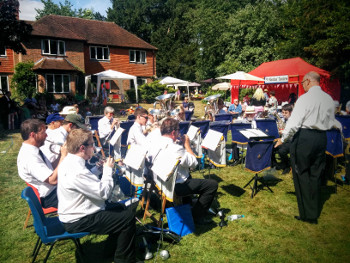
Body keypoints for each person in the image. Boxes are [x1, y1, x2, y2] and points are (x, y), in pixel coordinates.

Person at [57, 128, 137, 263]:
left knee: (121, 209)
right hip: (79, 219)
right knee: (128, 219)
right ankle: (124, 260)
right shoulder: (76, 170)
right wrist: (107, 170)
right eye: (91, 145)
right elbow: (104, 193)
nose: (94, 148)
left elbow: (84, 183)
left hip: (78, 213)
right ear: (82, 148)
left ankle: (110, 253)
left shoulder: (70, 161)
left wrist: (97, 169)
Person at [274, 71, 341, 224]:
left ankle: (307, 213)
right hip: (321, 137)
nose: (303, 86)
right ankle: (313, 209)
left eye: (303, 83)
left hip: (305, 137)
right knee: (316, 173)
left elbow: (294, 122)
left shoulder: (304, 99)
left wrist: (283, 139)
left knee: (301, 172)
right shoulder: (328, 99)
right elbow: (331, 121)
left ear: (309, 81)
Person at [147, 118, 218, 224]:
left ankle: (187, 203)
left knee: (185, 173)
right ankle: (196, 216)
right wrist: (187, 145)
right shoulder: (175, 148)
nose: (179, 133)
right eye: (178, 131)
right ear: (173, 132)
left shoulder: (153, 141)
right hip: (173, 186)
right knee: (212, 185)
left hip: (158, 181)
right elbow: (194, 163)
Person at [17, 119, 67, 208]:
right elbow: (52, 180)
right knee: (87, 196)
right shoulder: (29, 157)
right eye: (43, 132)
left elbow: (51, 167)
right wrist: (63, 156)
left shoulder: (33, 149)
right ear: (33, 135)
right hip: (51, 196)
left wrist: (61, 156)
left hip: (55, 190)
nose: (46, 135)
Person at [272, 103, 293, 174]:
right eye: (283, 112)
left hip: (291, 141)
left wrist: (283, 132)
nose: (284, 114)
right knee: (271, 146)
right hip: (283, 139)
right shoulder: (284, 120)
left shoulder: (293, 121)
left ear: (291, 112)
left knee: (282, 151)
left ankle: (286, 166)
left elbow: (292, 132)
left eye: (286, 113)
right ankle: (275, 165)